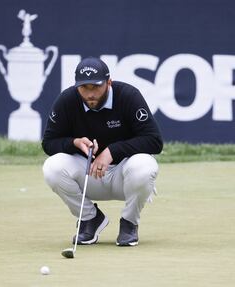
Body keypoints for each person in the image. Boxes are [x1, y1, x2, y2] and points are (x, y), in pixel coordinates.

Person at [41, 57, 163, 246]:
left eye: (96, 87)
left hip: (126, 177)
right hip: (89, 176)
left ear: (109, 83)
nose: (90, 94)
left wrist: (111, 152)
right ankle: (90, 219)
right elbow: (49, 143)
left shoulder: (128, 96)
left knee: (144, 165)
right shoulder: (67, 100)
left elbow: (154, 141)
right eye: (84, 88)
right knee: (52, 167)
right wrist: (74, 143)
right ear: (76, 86)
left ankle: (129, 223)